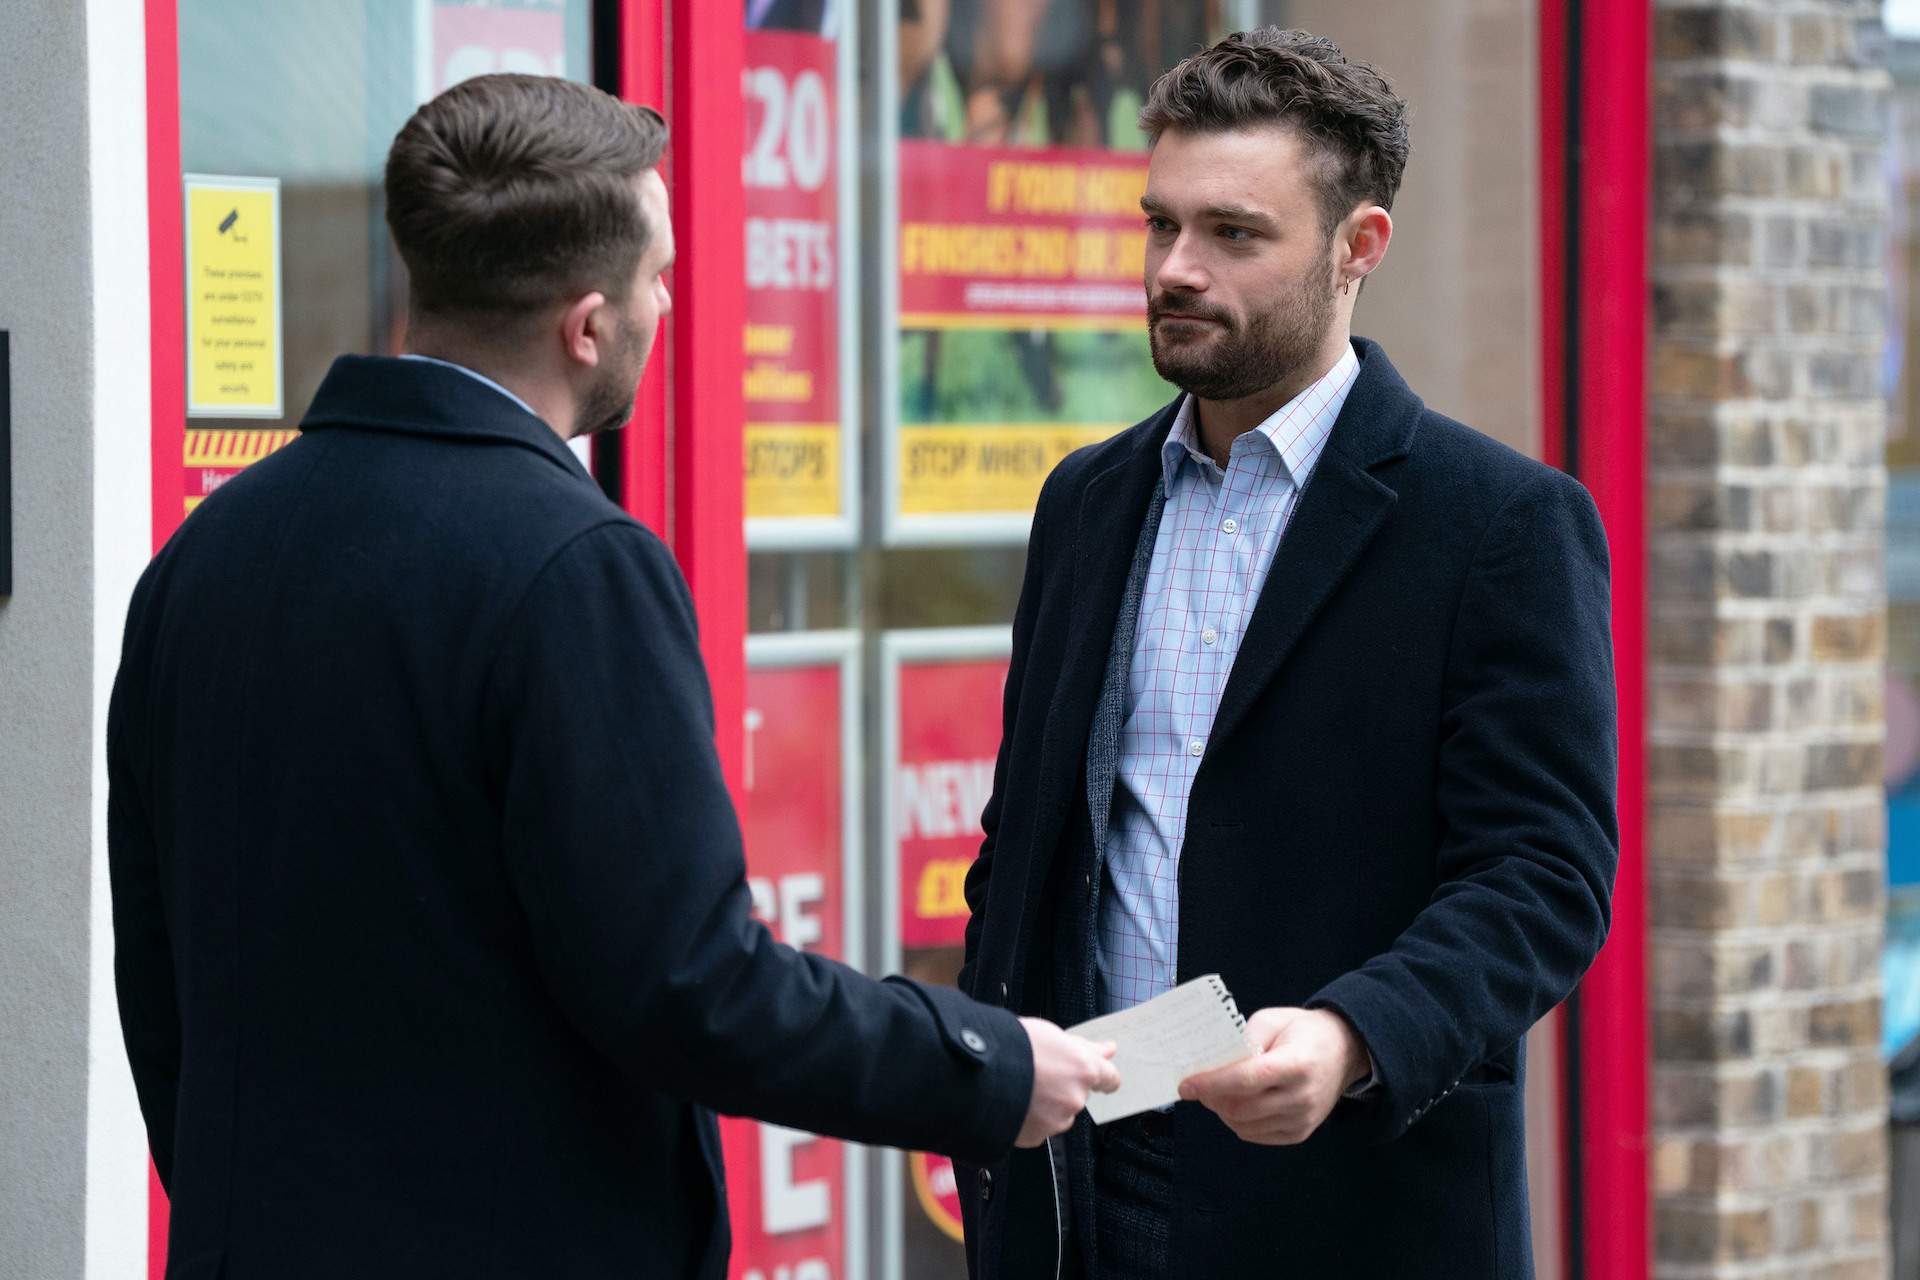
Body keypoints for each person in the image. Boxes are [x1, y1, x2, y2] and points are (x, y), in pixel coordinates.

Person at [107, 74, 1117, 1280]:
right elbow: (691, 983)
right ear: (587, 325)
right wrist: (991, 1065)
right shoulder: (576, 565)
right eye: (660, 276)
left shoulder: (206, 553)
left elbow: (157, 975)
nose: (670, 299)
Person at [954, 28, 1618, 1280]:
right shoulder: (1086, 502)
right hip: (1079, 1182)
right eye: (1161, 226)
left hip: (1348, 1197)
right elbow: (1030, 834)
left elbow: (1543, 870)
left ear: (1358, 246)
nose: (1176, 269)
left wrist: (1355, 1032)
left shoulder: (1500, 522)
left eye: (1234, 234)